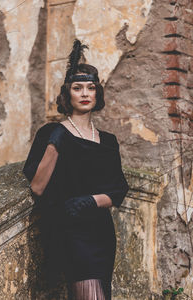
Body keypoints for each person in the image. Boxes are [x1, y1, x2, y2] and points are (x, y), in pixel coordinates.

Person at [23, 40, 129, 300]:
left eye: (90, 88)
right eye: (77, 87)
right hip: (70, 232)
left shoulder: (107, 141)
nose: (84, 93)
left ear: (97, 94)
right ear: (67, 93)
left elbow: (118, 189)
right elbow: (37, 186)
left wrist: (89, 201)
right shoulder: (51, 133)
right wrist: (55, 143)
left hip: (101, 233)